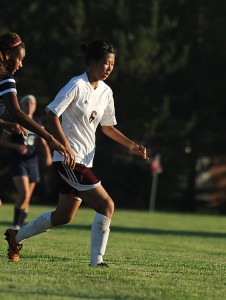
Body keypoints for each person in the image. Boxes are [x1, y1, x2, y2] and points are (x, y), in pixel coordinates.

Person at [4, 39, 148, 266]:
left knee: (63, 216)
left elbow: (107, 127)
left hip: (85, 161)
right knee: (107, 205)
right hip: (70, 161)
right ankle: (97, 261)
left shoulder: (106, 92)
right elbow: (52, 113)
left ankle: (16, 237)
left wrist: (131, 145)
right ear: (91, 62)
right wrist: (64, 145)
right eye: (105, 63)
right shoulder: (76, 85)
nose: (109, 68)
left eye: (112, 64)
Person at [0, 32, 74, 166]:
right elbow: (16, 113)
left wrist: (4, 124)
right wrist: (49, 138)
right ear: (7, 55)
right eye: (20, 59)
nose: (20, 65)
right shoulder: (5, 78)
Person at [0, 95, 52, 229]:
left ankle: (21, 225)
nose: (29, 106)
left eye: (32, 104)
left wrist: (48, 155)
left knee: (27, 198)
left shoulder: (37, 123)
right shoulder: (14, 122)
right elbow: (2, 141)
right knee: (24, 193)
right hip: (18, 162)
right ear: (20, 106)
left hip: (32, 162)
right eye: (26, 103)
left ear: (35, 107)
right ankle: (16, 224)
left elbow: (44, 142)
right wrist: (16, 146)